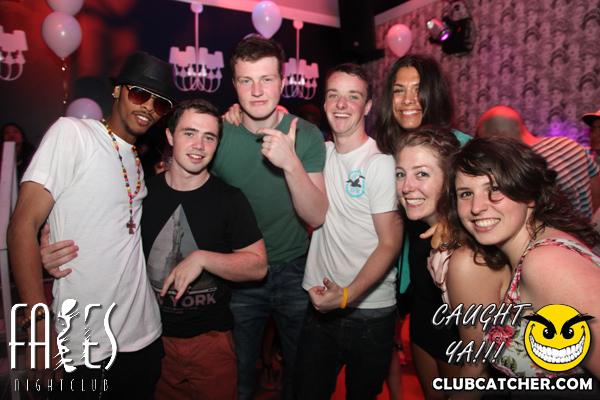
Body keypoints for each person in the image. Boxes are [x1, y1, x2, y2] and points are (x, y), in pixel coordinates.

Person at [6, 51, 175, 398]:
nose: (148, 108)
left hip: (143, 338)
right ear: (117, 91)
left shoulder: (138, 162)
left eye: (159, 104)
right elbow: (22, 224)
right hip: (82, 343)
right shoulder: (73, 133)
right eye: (139, 94)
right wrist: (38, 325)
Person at [212, 35, 327, 400]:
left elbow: (317, 215)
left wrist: (290, 162)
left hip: (294, 270)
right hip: (239, 272)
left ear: (282, 81)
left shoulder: (305, 133)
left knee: (300, 377)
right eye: (246, 80)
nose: (257, 91)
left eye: (267, 79)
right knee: (238, 379)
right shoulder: (218, 134)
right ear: (234, 84)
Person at [440, 136, 600, 397]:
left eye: (494, 189)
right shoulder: (528, 252)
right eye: (466, 194)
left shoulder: (546, 263)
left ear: (530, 196)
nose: (476, 207)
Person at [294, 63, 403, 399]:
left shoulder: (379, 162)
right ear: (325, 103)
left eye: (353, 96)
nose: (341, 104)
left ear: (367, 106)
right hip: (319, 305)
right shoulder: (319, 155)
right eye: (334, 95)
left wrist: (345, 295)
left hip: (369, 313)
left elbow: (390, 243)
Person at [374, 54, 468, 400]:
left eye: (418, 88)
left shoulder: (463, 148)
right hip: (421, 295)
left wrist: (453, 225)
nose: (408, 99)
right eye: (399, 90)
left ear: (435, 94)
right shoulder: (389, 153)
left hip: (459, 298)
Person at [395, 127, 512, 399]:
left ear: (450, 179)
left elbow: (478, 368)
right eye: (400, 174)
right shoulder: (421, 225)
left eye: (422, 174)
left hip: (459, 344)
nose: (406, 186)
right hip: (423, 329)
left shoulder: (469, 253)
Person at [477, 105, 600, 221]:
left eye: (486, 141)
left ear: (499, 136)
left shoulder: (523, 166)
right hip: (587, 231)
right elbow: (597, 194)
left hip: (559, 234)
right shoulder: (570, 144)